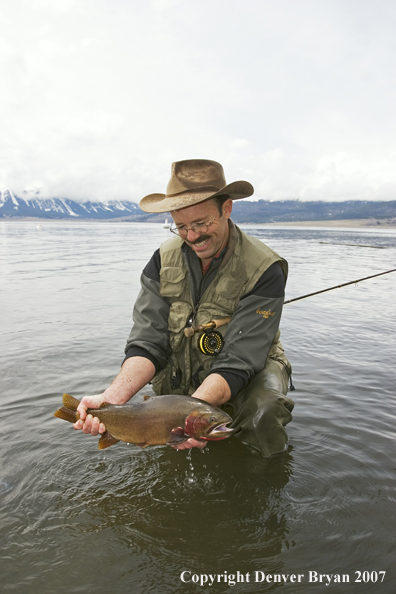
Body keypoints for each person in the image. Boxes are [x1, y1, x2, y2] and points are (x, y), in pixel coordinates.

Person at [74, 159, 294, 457]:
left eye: (201, 223)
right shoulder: (162, 259)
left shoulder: (265, 269)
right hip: (186, 368)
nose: (192, 237)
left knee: (263, 411)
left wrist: (189, 418)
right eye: (181, 227)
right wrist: (112, 398)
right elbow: (148, 342)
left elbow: (239, 360)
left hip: (251, 366)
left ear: (226, 209)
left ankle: (266, 478)